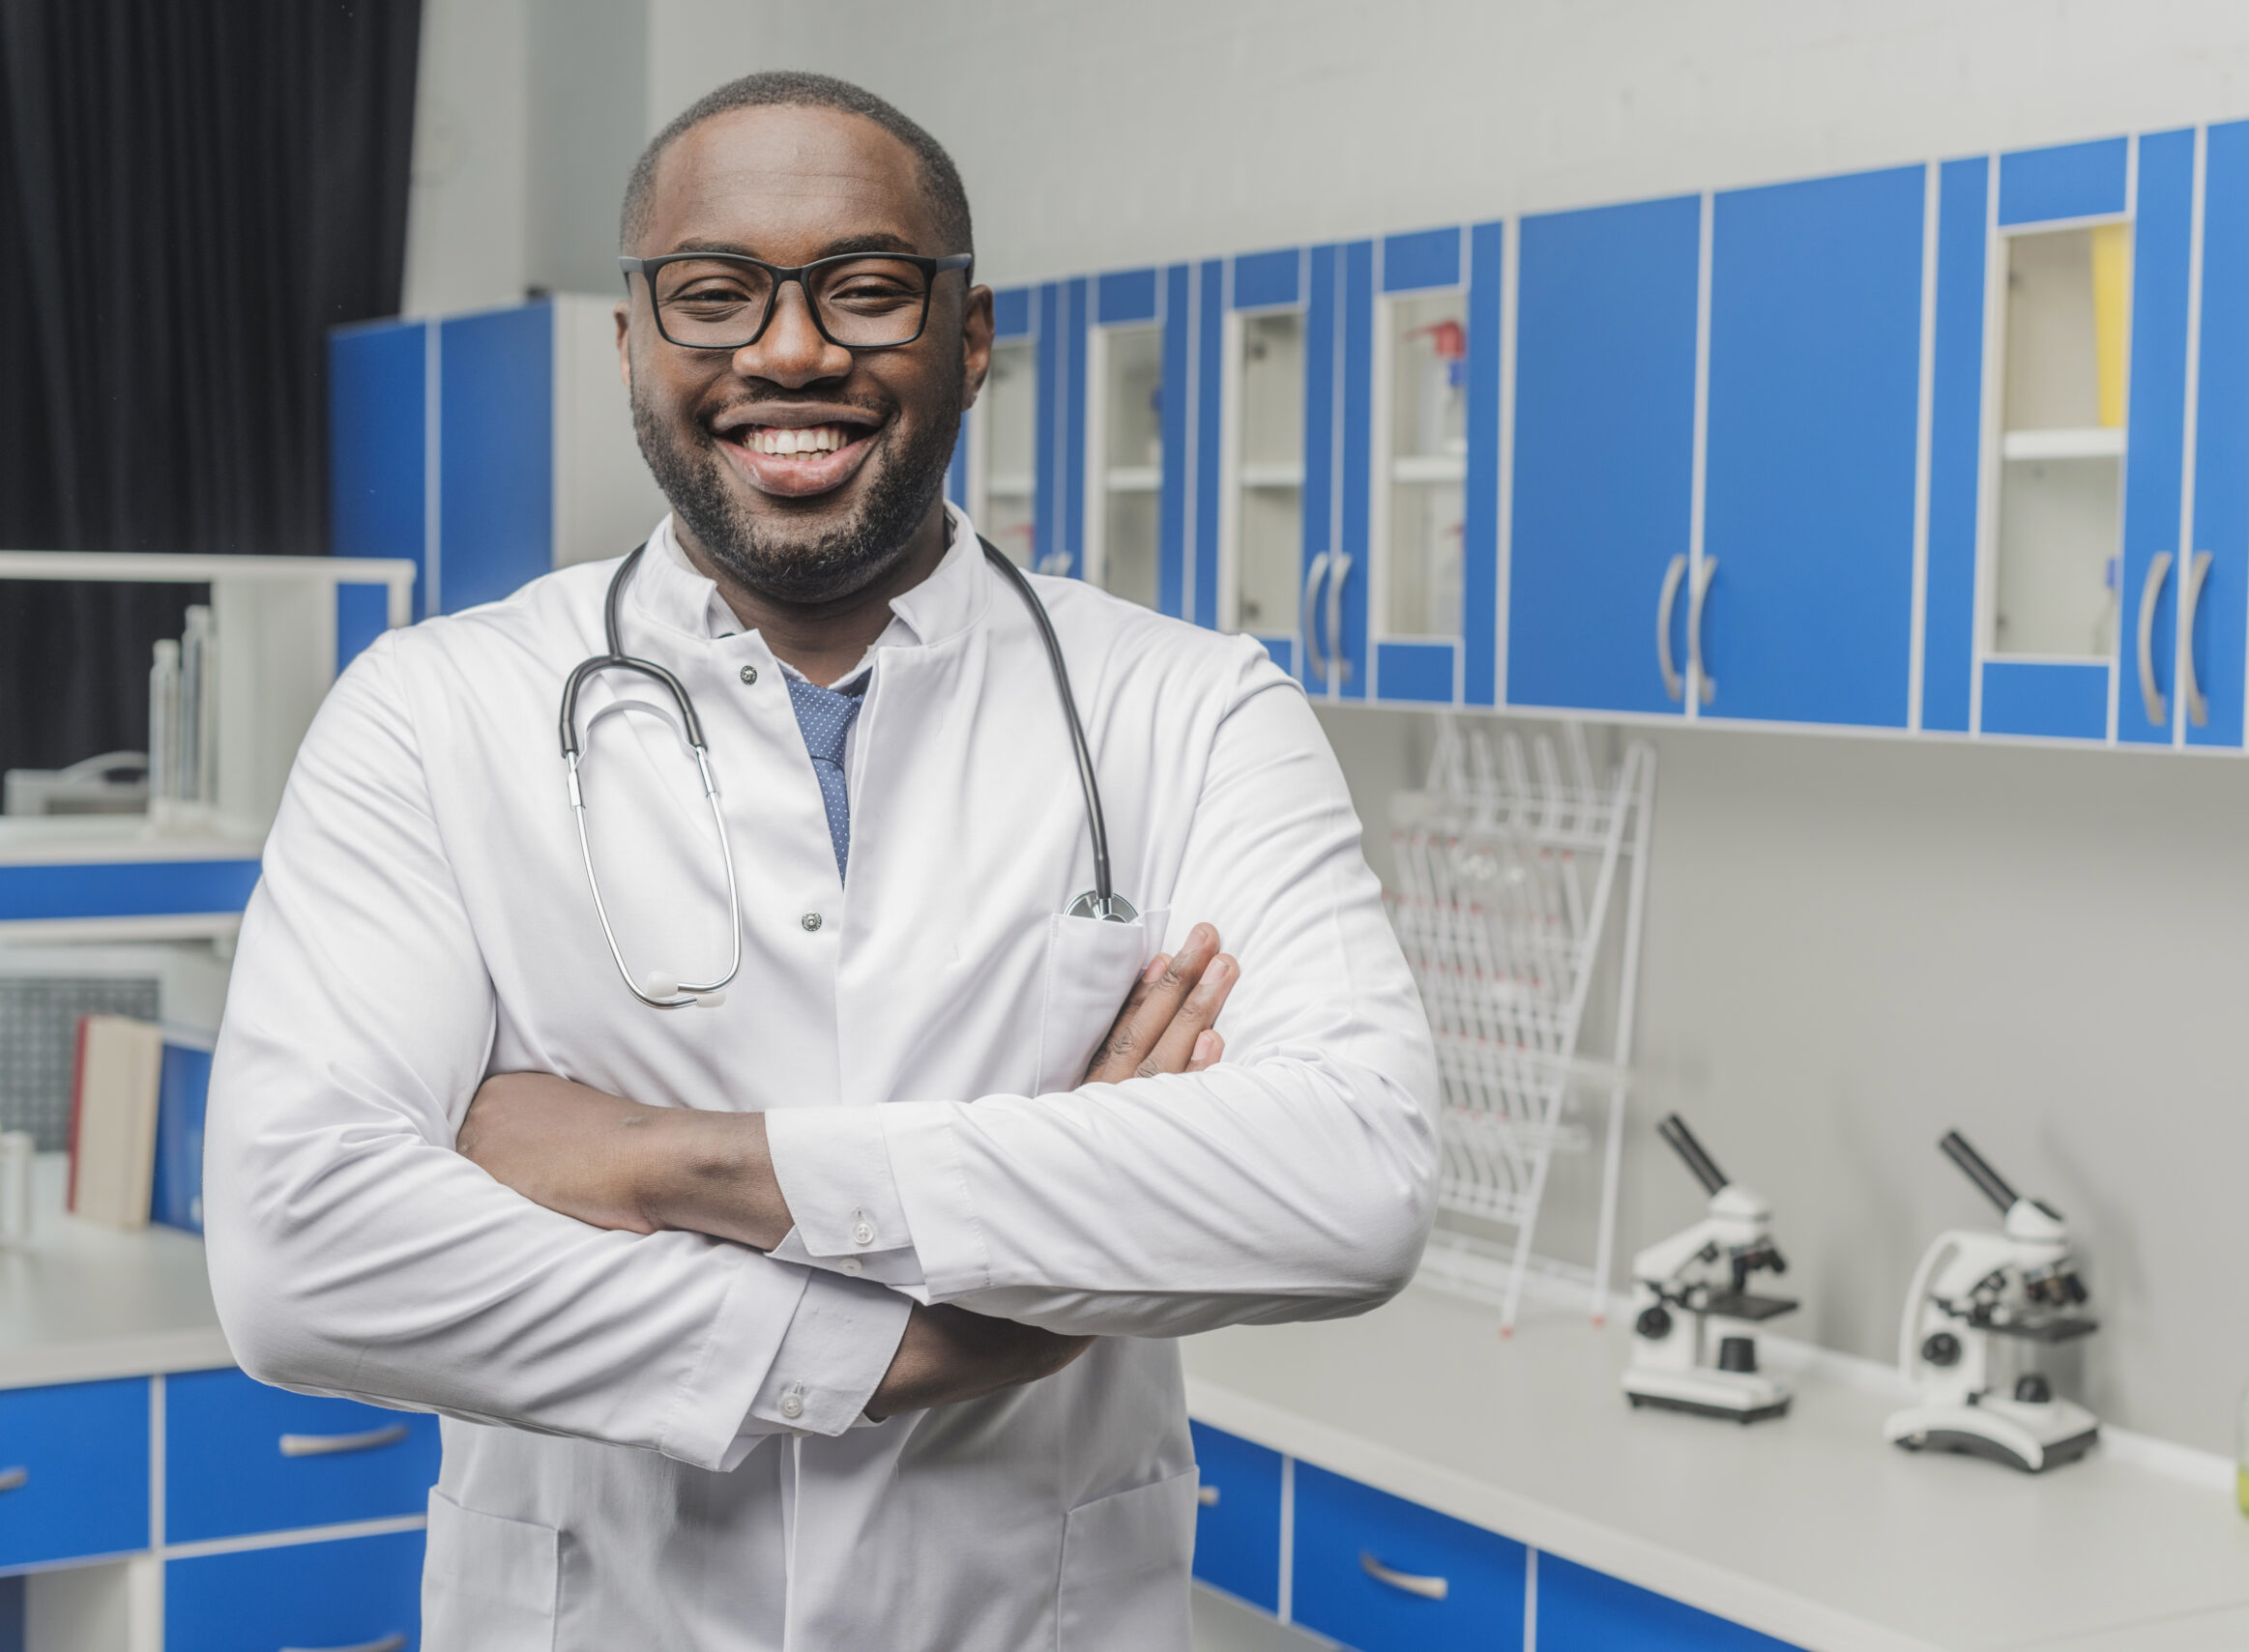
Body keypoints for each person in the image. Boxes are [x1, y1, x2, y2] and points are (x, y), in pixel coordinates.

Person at [203, 71, 1439, 1650]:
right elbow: (297, 1251)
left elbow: (1356, 1175)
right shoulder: (433, 713)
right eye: (714, 296)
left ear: (968, 339)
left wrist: (669, 1156)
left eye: (864, 290)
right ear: (636, 347)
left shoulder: (1192, 709)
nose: (790, 351)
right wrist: (927, 1336)